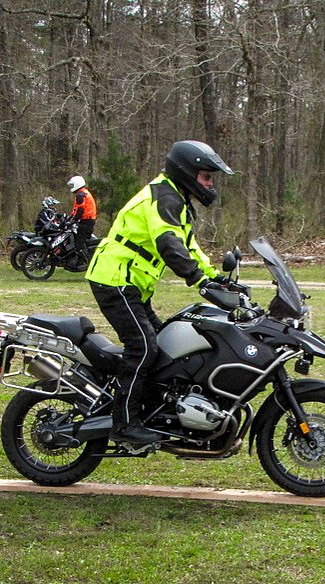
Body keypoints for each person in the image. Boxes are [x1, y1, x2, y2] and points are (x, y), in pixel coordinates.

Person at [85, 140, 234, 445]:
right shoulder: (163, 197)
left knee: (164, 347)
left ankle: (151, 408)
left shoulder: (176, 200)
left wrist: (217, 279)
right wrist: (199, 281)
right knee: (143, 349)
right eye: (206, 177)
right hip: (114, 280)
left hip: (133, 285)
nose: (210, 184)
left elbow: (189, 248)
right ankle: (125, 424)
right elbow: (169, 245)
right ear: (188, 171)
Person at [66, 175, 98, 268]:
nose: (72, 188)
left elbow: (80, 210)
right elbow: (75, 210)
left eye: (72, 185)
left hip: (86, 221)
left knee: (79, 242)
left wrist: (73, 220)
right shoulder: (84, 193)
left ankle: (86, 261)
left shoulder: (81, 195)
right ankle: (81, 260)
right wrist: (69, 218)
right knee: (84, 240)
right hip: (89, 220)